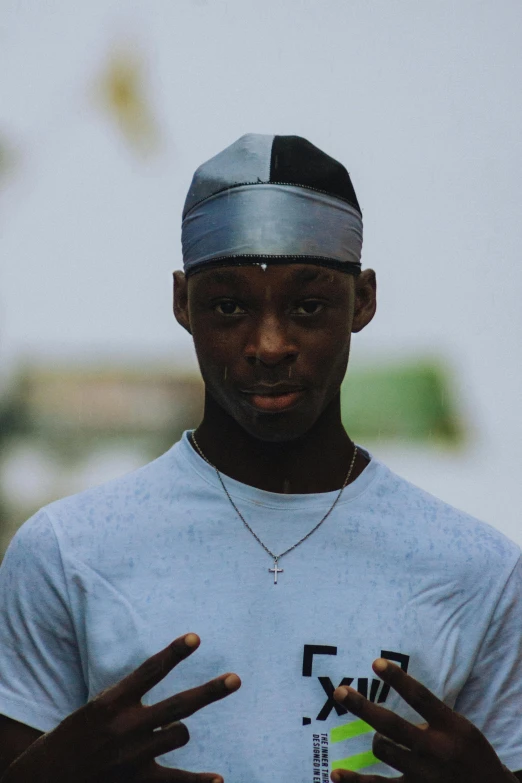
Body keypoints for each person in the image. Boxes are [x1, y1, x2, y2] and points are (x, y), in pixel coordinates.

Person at [0, 134, 520, 783]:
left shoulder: (478, 570)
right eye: (229, 305)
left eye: (307, 305)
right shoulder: (67, 552)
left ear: (362, 300)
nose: (269, 344)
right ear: (181, 302)